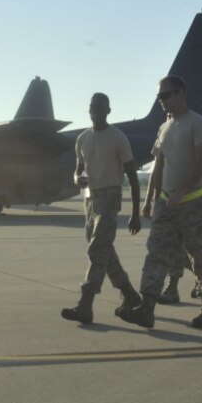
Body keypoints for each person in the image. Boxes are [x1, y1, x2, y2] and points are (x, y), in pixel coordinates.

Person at [120, 76, 202, 329]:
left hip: (193, 203)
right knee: (156, 253)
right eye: (159, 97)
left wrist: (182, 191)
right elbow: (158, 167)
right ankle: (147, 308)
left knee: (200, 256)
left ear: (181, 93)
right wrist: (149, 199)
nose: (162, 101)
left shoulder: (199, 124)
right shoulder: (164, 128)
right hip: (166, 203)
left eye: (166, 95)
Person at [61, 93, 143, 324]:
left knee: (97, 250)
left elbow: (132, 176)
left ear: (108, 110)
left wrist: (135, 213)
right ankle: (130, 294)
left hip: (109, 198)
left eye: (100, 107)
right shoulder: (83, 139)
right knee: (105, 252)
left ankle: (85, 304)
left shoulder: (118, 137)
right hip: (90, 200)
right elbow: (79, 170)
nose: (95, 110)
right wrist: (78, 179)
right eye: (92, 107)